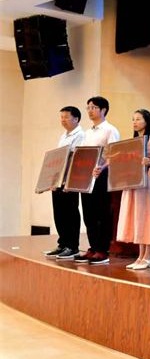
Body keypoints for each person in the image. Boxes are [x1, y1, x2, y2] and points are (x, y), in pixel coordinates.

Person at [74, 96, 120, 265]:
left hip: (102, 176)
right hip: (87, 177)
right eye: (88, 107)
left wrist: (103, 167)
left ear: (103, 110)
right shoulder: (87, 132)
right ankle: (93, 247)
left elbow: (115, 155)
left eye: (93, 107)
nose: (90, 111)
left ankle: (102, 250)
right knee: (89, 214)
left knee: (102, 213)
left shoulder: (110, 130)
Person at [114, 109, 150, 270]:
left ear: (147, 121)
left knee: (146, 217)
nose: (135, 122)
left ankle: (149, 256)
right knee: (137, 218)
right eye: (133, 119)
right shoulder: (135, 141)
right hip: (133, 183)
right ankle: (141, 256)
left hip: (146, 185)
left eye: (138, 119)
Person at [44, 106, 85, 260]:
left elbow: (75, 158)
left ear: (76, 119)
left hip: (70, 179)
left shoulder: (80, 135)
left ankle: (72, 246)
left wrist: (68, 180)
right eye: (61, 117)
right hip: (59, 179)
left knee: (70, 212)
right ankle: (62, 243)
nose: (63, 120)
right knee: (59, 212)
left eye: (66, 117)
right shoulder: (64, 135)